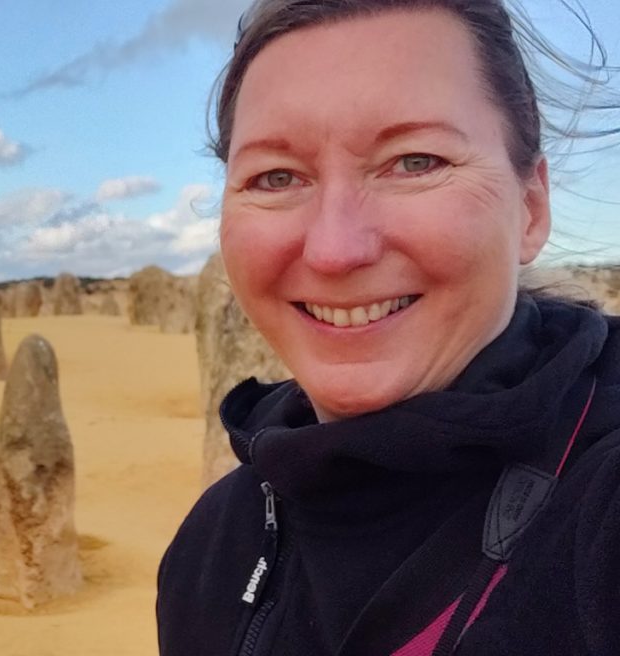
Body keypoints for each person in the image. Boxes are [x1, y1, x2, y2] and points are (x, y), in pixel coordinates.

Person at [156, 1, 620, 655]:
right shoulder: (209, 547)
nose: (336, 250)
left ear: (531, 209)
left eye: (415, 162)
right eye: (276, 176)